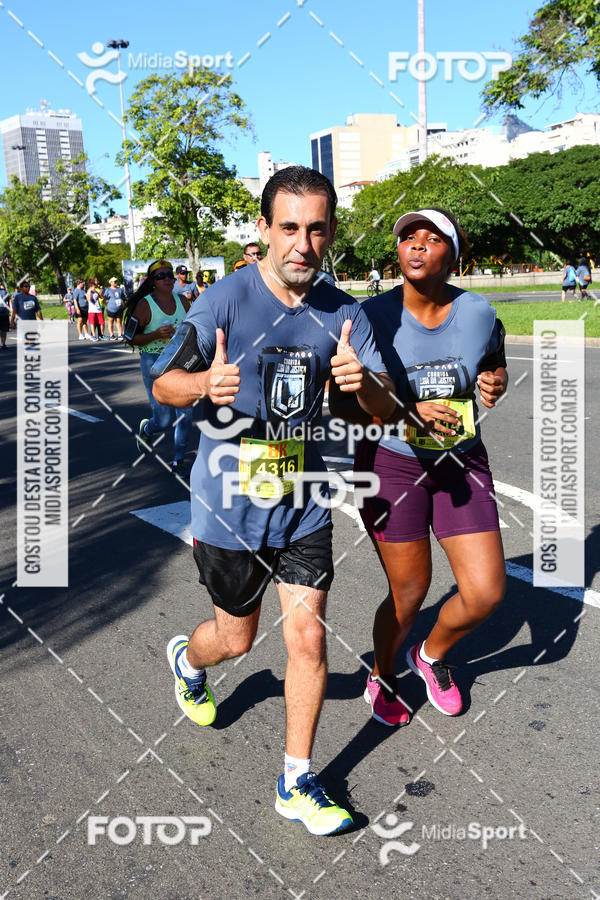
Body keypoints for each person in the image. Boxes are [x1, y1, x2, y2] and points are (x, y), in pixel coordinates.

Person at [151, 166, 395, 835]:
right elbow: (164, 382)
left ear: (331, 232)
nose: (302, 244)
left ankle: (297, 780)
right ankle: (188, 661)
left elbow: (381, 409)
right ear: (263, 230)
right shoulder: (223, 301)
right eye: (289, 227)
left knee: (309, 638)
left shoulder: (344, 312)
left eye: (316, 229)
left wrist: (362, 383)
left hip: (303, 504)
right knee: (235, 639)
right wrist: (204, 384)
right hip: (228, 512)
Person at [331, 207, 508, 726]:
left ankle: (429, 655)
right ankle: (382, 673)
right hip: (393, 465)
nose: (417, 245)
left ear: (454, 255)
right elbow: (341, 407)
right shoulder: (368, 317)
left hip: (461, 461)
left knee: (485, 593)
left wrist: (495, 380)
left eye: (432, 238)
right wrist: (404, 410)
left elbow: (493, 360)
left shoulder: (477, 312)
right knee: (409, 595)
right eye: (409, 236)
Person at [125, 259, 194, 474]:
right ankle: (148, 427)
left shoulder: (183, 301)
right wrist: (155, 335)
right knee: (164, 420)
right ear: (152, 281)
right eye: (161, 276)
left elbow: (194, 327)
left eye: (170, 275)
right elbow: (130, 337)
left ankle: (178, 460)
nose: (167, 279)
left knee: (186, 414)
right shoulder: (145, 305)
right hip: (153, 361)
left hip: (179, 361)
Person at [0, 283, 10, 348]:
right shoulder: (6, 292)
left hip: (4, 313)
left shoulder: (6, 292)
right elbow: (9, 302)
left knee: (3, 330)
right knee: (4, 330)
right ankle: (3, 344)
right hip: (5, 313)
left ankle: (3, 343)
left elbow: (9, 302)